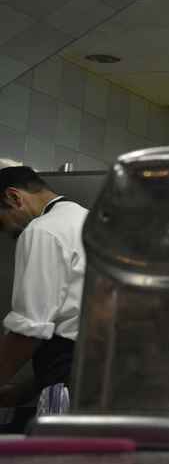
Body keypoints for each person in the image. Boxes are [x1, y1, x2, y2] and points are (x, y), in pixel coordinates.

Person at [0, 165, 88, 428]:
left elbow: (30, 330)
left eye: (0, 220)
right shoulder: (89, 222)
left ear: (14, 198)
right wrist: (24, 391)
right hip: (94, 386)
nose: (6, 232)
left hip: (67, 390)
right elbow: (76, 329)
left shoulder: (43, 230)